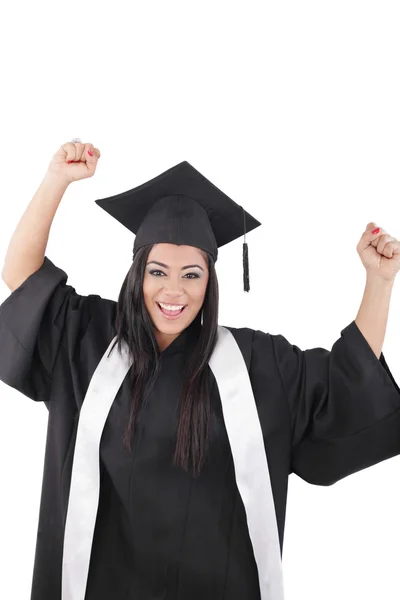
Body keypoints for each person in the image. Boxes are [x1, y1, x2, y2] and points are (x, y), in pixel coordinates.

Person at [1, 140, 400, 600]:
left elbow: (346, 390)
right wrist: (57, 180)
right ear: (137, 275)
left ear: (210, 279)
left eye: (191, 274)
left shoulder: (256, 364)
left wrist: (380, 281)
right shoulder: (88, 340)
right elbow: (23, 279)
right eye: (158, 272)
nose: (174, 290)